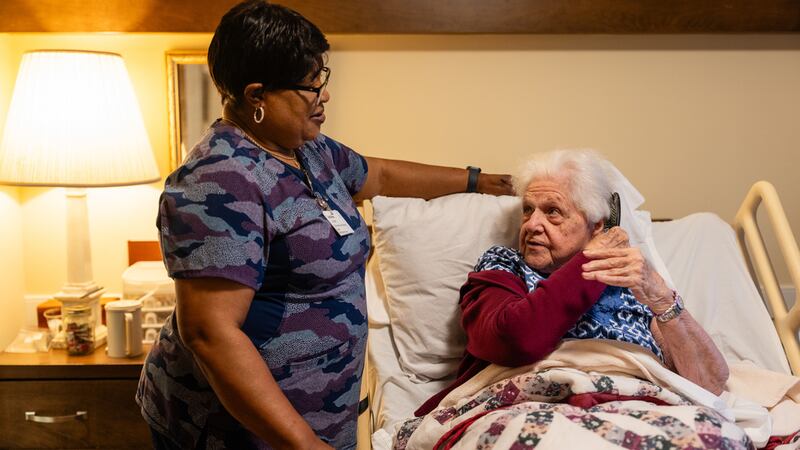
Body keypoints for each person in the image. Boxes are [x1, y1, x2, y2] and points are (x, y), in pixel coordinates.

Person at [135, 2, 513, 449]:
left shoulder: (307, 150)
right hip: (238, 431)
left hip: (317, 418)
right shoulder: (219, 182)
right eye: (310, 85)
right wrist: (304, 444)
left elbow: (379, 174)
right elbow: (211, 334)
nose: (323, 95)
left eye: (322, 78)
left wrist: (478, 181)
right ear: (257, 95)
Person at [416, 149, 729, 416]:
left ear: (596, 225)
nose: (532, 225)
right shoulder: (504, 265)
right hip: (530, 412)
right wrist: (589, 262)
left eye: (552, 212)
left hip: (639, 412)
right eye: (528, 210)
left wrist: (662, 300)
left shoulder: (632, 285)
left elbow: (709, 384)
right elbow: (512, 339)